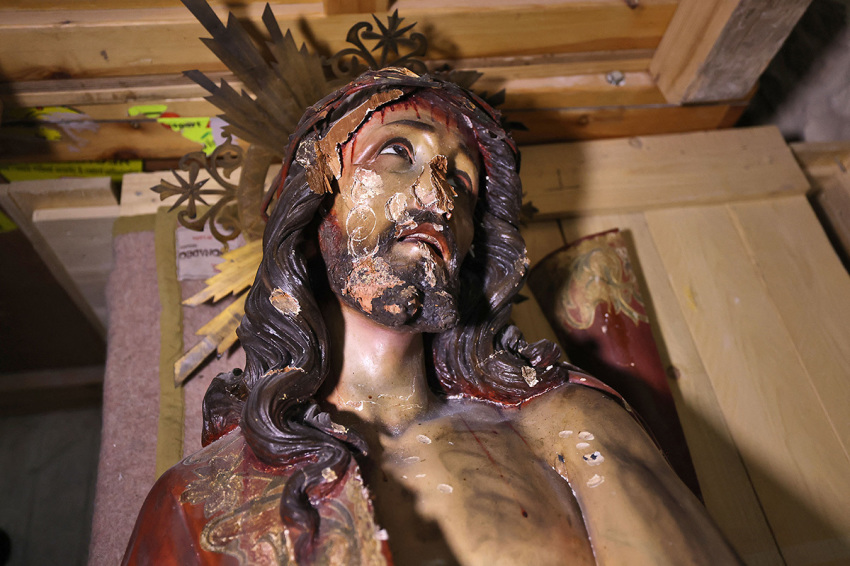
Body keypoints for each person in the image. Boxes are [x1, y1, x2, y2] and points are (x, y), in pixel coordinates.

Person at [123, 68, 742, 565]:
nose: (441, 196)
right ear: (311, 217)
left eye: (463, 183)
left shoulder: (568, 429)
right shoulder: (202, 496)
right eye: (398, 152)